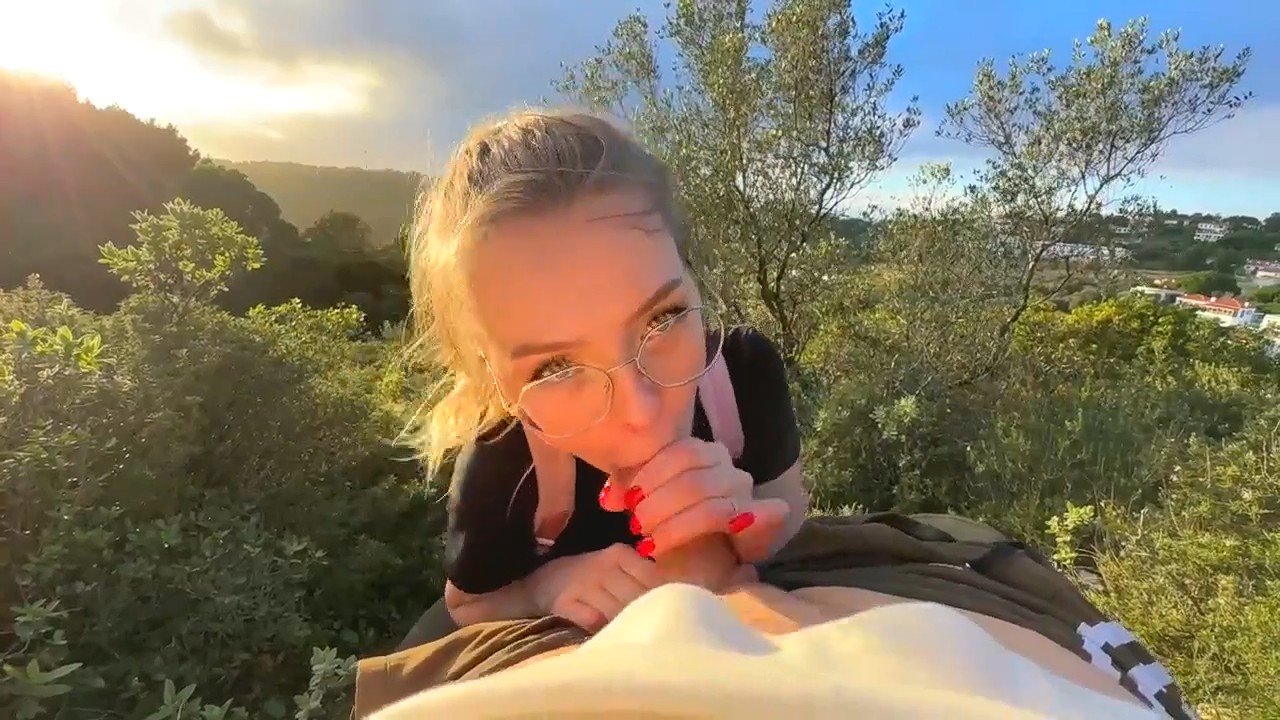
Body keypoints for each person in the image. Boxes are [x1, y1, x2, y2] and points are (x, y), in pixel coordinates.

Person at [401, 108, 811, 634]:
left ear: (693, 278)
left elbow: (788, 512)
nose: (641, 411)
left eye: (662, 319)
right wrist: (544, 587)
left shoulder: (741, 375)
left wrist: (747, 534)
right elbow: (466, 605)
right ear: (495, 381)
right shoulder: (505, 455)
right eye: (556, 368)